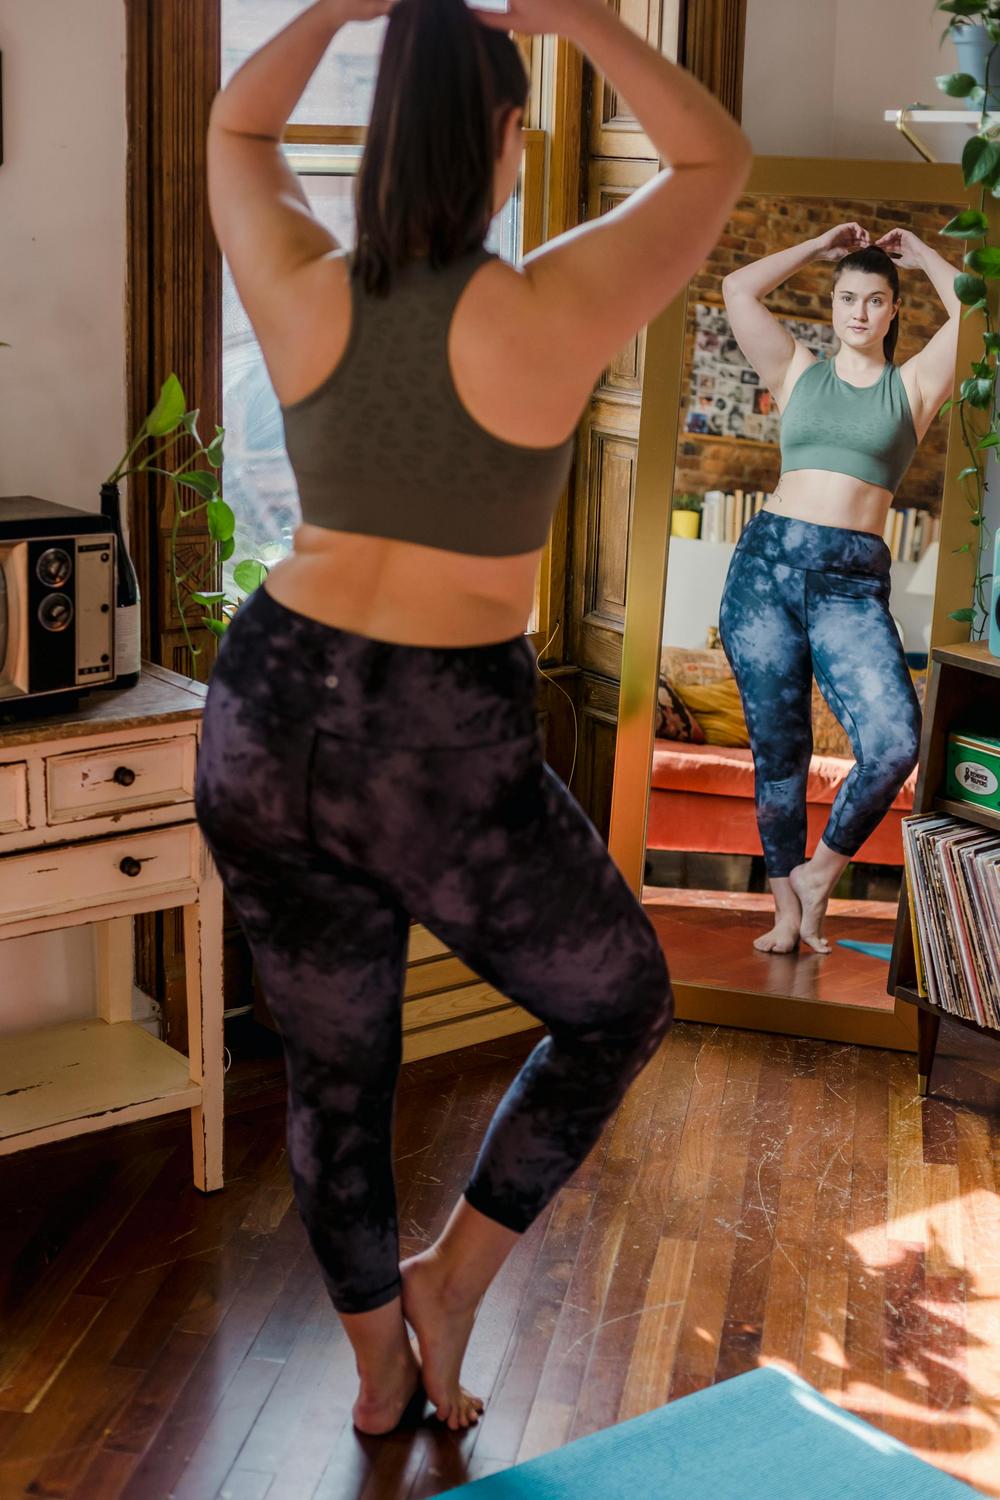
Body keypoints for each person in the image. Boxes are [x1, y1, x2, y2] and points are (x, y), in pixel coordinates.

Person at [195, 0, 750, 1438]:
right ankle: (452, 1282)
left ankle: (381, 1355)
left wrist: (324, 9)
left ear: (382, 139)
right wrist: (582, 19)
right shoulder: (547, 304)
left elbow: (236, 125)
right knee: (616, 1000)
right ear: (510, 139)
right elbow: (710, 163)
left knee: (335, 1070)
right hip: (435, 743)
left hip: (266, 711)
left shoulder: (306, 279)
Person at [718, 224, 960, 955]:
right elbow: (737, 287)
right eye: (847, 298)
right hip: (765, 570)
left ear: (893, 312)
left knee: (891, 742)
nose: (858, 311)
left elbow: (978, 312)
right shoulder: (796, 370)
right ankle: (787, 912)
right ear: (832, 305)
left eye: (874, 300)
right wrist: (819, 246)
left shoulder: (911, 387)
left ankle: (822, 874)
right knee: (778, 752)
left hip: (850, 584)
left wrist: (918, 253)